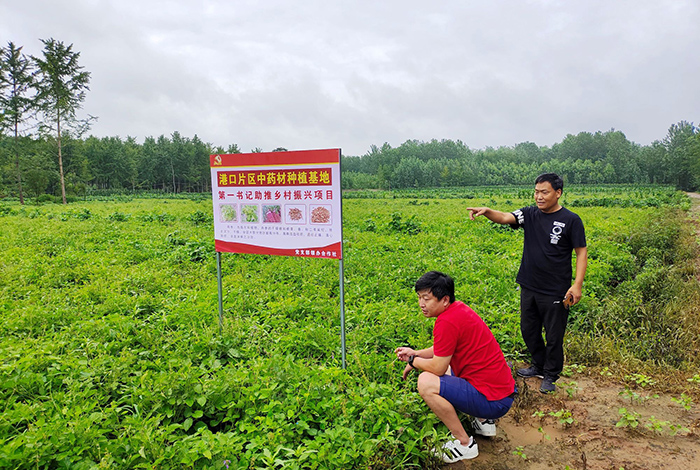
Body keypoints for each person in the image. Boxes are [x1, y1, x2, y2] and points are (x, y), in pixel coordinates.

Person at [466, 173, 587, 393]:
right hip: (529, 285)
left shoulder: (571, 220)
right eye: (536, 192)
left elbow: (581, 252)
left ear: (558, 193)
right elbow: (504, 217)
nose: (539, 197)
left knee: (553, 335)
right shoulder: (529, 214)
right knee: (528, 329)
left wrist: (577, 284)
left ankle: (550, 374)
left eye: (544, 192)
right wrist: (487, 211)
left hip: (556, 289)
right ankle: (538, 365)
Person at [395, 271, 516, 463]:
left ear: (444, 299)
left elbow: (438, 368)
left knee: (426, 381)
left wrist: (413, 362)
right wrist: (416, 353)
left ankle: (464, 443)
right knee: (448, 369)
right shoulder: (458, 310)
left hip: (494, 401)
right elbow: (442, 349)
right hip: (501, 393)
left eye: (426, 298)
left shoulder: (446, 321)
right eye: (419, 298)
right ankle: (484, 423)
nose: (421, 304)